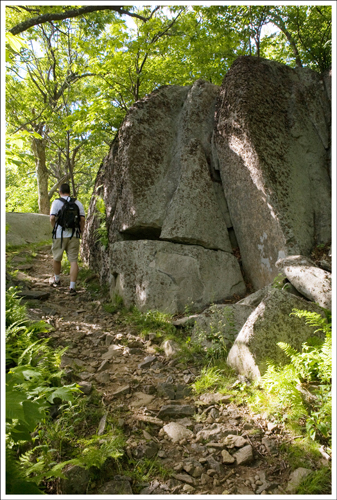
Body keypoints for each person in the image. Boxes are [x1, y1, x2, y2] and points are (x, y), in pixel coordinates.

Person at [49, 183, 85, 295]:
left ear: (60, 192)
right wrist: (81, 230)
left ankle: (57, 279)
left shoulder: (56, 202)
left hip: (59, 236)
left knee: (57, 258)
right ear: (70, 192)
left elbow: (52, 218)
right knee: (73, 260)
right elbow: (82, 219)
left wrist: (54, 228)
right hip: (73, 235)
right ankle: (72, 287)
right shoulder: (77, 203)